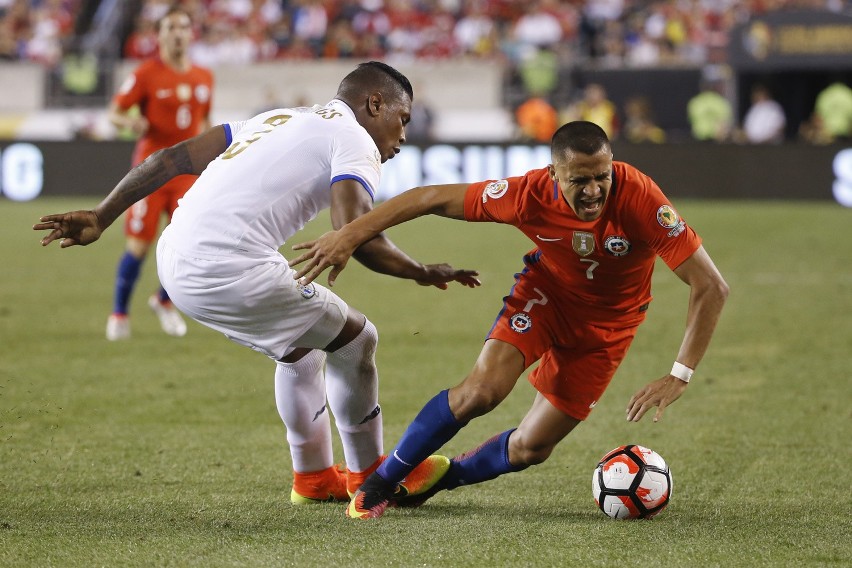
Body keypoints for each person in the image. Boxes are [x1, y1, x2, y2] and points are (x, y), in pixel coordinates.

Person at [34, 62, 480, 505]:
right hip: (227, 268)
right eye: (402, 120)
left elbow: (168, 158)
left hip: (175, 258)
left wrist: (101, 215)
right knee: (357, 338)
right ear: (374, 103)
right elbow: (357, 235)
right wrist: (423, 271)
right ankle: (374, 477)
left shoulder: (278, 117)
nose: (403, 136)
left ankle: (313, 478)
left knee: (300, 350)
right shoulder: (354, 139)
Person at [290, 120, 730, 519]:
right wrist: (348, 234)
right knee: (482, 392)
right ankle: (379, 484)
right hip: (547, 296)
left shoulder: (640, 198)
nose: (595, 190)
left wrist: (680, 374)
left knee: (531, 448)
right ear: (554, 174)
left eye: (603, 177)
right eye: (580, 180)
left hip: (607, 331)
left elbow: (711, 285)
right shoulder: (527, 194)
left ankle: (442, 478)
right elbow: (428, 198)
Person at [105, 6, 214, 341]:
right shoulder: (145, 74)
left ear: (190, 33)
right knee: (138, 246)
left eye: (184, 27)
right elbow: (115, 113)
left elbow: (205, 123)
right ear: (160, 34)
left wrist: (210, 160)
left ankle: (164, 301)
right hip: (150, 173)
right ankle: (119, 314)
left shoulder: (203, 77)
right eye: (171, 27)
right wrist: (131, 123)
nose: (178, 33)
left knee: (192, 246)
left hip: (185, 174)